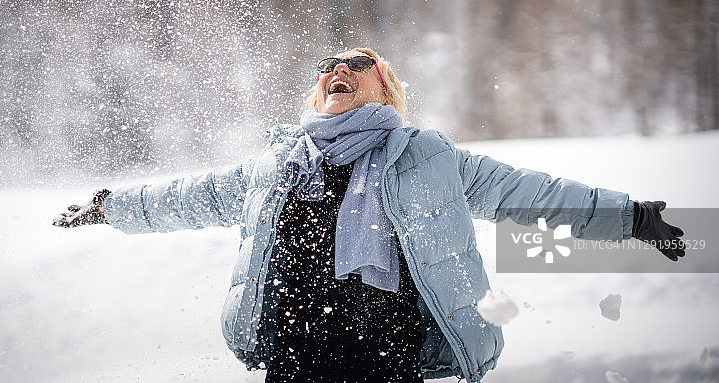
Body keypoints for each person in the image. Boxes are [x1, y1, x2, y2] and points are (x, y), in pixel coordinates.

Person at [53, 47, 686, 383]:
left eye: (358, 64)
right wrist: (111, 207)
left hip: (385, 358)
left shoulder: (426, 159)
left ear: (385, 88)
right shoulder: (276, 165)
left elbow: (527, 193)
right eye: (329, 66)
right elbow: (190, 196)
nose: (339, 70)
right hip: (292, 358)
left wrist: (628, 217)